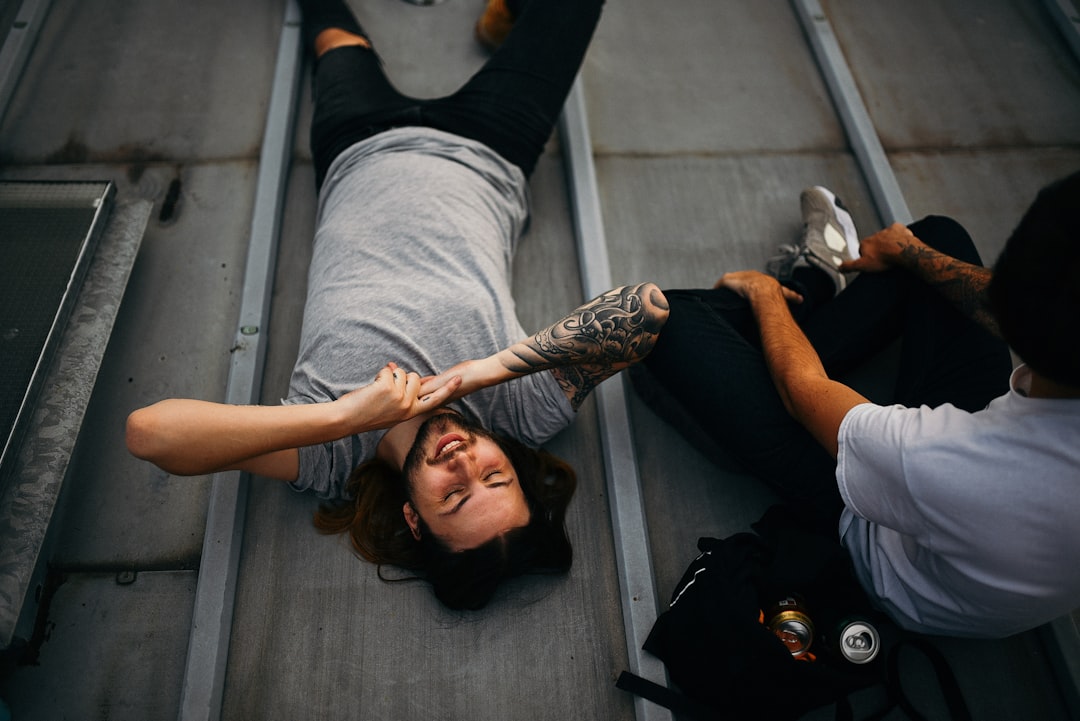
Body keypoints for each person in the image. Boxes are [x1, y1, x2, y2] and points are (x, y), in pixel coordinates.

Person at [126, 0, 671, 610]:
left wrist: (347, 416)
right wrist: (483, 370)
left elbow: (150, 433)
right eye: (495, 476)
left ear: (414, 520)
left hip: (357, 140)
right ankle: (506, 17)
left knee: (329, 28)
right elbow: (644, 309)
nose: (465, 463)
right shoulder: (518, 411)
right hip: (491, 146)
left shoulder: (329, 458)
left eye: (454, 496)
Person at [633, 173, 1080, 638]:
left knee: (667, 317)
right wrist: (907, 250)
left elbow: (799, 389)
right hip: (967, 503)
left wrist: (765, 292)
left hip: (879, 542)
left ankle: (808, 283)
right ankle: (796, 306)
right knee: (933, 241)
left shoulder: (959, 462)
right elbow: (1004, 302)